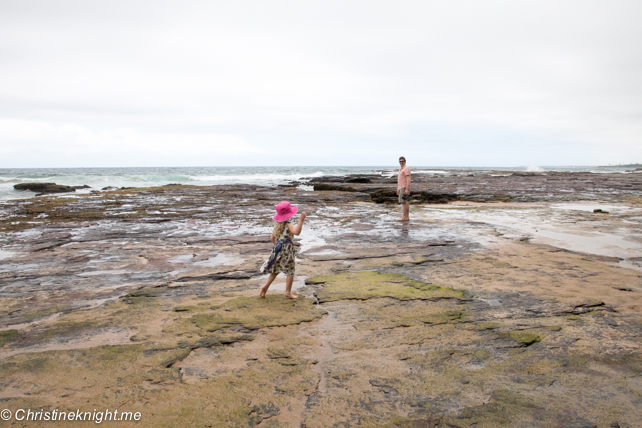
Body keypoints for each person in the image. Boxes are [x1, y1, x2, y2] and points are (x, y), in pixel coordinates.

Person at [259, 201, 307, 299]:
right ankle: (288, 292)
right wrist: (301, 220)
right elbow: (297, 232)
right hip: (287, 252)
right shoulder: (289, 225)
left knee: (275, 270)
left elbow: (272, 238)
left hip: (278, 250)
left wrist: (278, 246)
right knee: (290, 271)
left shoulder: (277, 225)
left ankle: (265, 287)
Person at [396, 156, 411, 221]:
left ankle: (404, 217)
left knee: (403, 202)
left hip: (404, 187)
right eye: (400, 161)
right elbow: (400, 179)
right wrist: (398, 188)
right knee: (405, 202)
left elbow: (408, 179)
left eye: (402, 161)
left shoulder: (406, 168)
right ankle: (406, 217)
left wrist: (407, 189)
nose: (401, 162)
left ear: (405, 161)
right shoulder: (401, 169)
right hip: (401, 187)